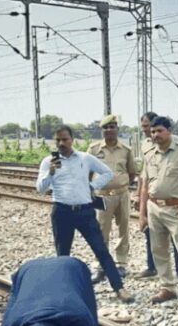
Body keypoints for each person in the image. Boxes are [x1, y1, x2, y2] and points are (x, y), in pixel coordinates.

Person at [36, 125, 134, 303]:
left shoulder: (85, 158)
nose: (61, 143)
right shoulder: (48, 161)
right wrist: (50, 173)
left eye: (65, 139)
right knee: (62, 254)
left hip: (85, 212)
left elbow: (107, 172)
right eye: (57, 140)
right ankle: (64, 291)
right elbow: (40, 189)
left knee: (101, 250)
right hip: (62, 212)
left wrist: (92, 186)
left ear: (72, 139)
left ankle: (119, 288)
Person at [139, 116, 178, 308]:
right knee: (158, 249)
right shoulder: (149, 153)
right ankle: (168, 287)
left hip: (175, 209)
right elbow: (144, 183)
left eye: (159, 131)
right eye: (153, 131)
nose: (155, 135)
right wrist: (142, 213)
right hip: (154, 207)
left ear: (169, 130)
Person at [87, 115, 134, 283]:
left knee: (123, 229)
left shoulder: (126, 150)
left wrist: (121, 184)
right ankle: (101, 266)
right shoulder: (94, 149)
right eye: (106, 127)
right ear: (102, 130)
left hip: (122, 195)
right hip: (102, 196)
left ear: (117, 129)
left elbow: (132, 172)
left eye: (112, 126)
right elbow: (87, 173)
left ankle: (121, 264)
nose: (109, 130)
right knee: (101, 231)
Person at [137, 111, 178, 280]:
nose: (147, 131)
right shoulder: (145, 146)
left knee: (176, 237)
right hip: (151, 196)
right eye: (144, 128)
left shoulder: (176, 144)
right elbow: (144, 174)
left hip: (172, 200)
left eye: (149, 127)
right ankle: (153, 267)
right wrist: (139, 197)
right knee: (151, 235)